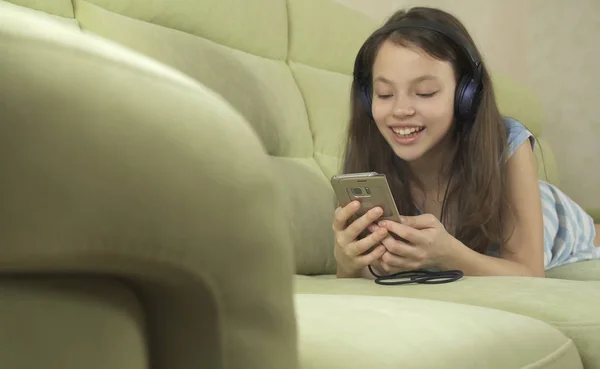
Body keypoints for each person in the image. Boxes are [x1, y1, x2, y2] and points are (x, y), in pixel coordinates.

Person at [332, 6, 600, 279]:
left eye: (425, 93)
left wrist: (450, 255)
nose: (400, 110)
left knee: (593, 232)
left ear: (466, 96)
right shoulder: (371, 148)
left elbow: (530, 274)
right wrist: (347, 262)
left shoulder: (506, 143)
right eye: (385, 94)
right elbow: (359, 276)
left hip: (551, 215)